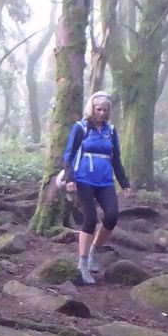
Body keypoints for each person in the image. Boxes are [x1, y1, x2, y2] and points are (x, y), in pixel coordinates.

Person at [60, 91, 130, 284]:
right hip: (84, 179)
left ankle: (93, 251)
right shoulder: (81, 128)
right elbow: (69, 155)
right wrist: (70, 178)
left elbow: (116, 158)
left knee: (112, 216)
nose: (102, 113)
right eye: (98, 109)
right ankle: (82, 264)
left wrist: (124, 182)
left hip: (105, 181)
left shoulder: (111, 130)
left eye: (105, 110)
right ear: (91, 108)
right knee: (90, 220)